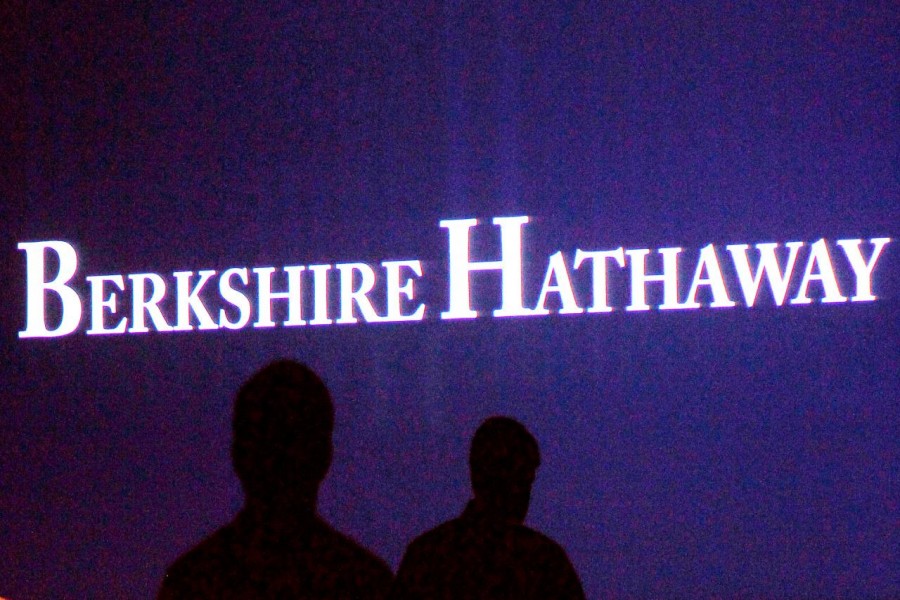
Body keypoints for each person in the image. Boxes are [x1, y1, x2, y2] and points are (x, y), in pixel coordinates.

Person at [158, 360, 392, 599]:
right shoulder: (365, 580)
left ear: (238, 455)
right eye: (270, 441)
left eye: (289, 440)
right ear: (325, 456)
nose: (279, 458)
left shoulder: (192, 580)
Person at [389, 416, 585, 599]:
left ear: (475, 474)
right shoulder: (545, 563)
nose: (523, 491)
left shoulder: (427, 557)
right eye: (524, 477)